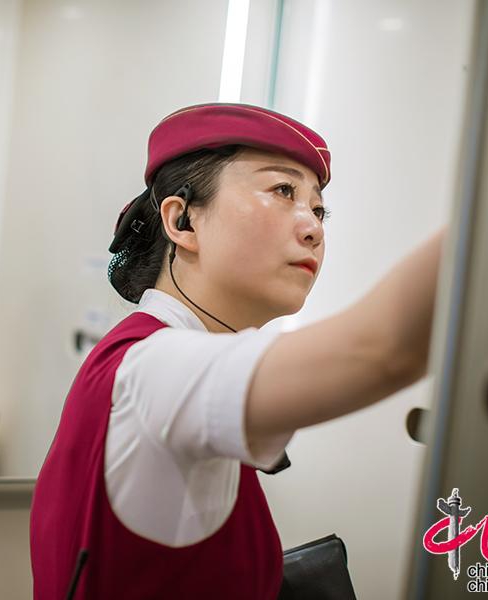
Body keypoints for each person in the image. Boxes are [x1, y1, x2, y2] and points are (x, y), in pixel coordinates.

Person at [30, 102, 443, 598]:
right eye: (283, 191)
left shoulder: (157, 358)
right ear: (183, 221)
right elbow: (381, 348)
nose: (313, 228)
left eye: (318, 209)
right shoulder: (155, 369)